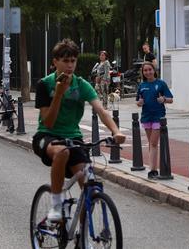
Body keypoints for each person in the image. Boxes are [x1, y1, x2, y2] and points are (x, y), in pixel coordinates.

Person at [33, 39, 125, 224]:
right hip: (47, 136)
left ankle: (82, 235)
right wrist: (58, 94)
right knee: (62, 152)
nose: (70, 65)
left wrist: (116, 131)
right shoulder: (45, 84)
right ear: (55, 62)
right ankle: (56, 204)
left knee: (90, 188)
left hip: (73, 138)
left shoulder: (81, 84)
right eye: (65, 61)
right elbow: (48, 122)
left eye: (73, 61)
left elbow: (101, 110)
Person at [135, 60, 173, 179]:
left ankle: (153, 170)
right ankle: (152, 167)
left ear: (154, 71)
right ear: (143, 72)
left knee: (153, 143)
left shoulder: (161, 84)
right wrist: (139, 103)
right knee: (151, 144)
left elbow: (171, 99)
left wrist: (164, 100)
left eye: (149, 70)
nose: (148, 72)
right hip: (146, 117)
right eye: (145, 70)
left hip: (158, 117)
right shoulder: (142, 86)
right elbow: (138, 101)